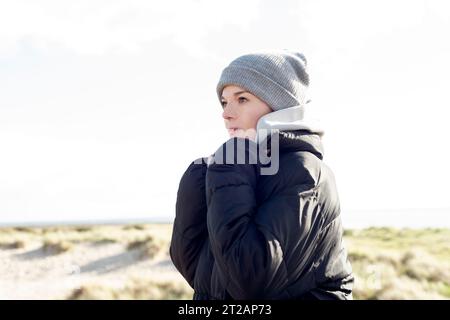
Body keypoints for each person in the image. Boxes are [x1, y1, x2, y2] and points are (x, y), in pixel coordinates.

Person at [170, 49, 354, 300]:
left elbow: (249, 282)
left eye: (242, 99)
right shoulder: (239, 167)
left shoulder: (304, 171)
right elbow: (201, 275)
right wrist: (197, 182)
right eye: (224, 102)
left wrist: (228, 167)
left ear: (279, 108)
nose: (226, 113)